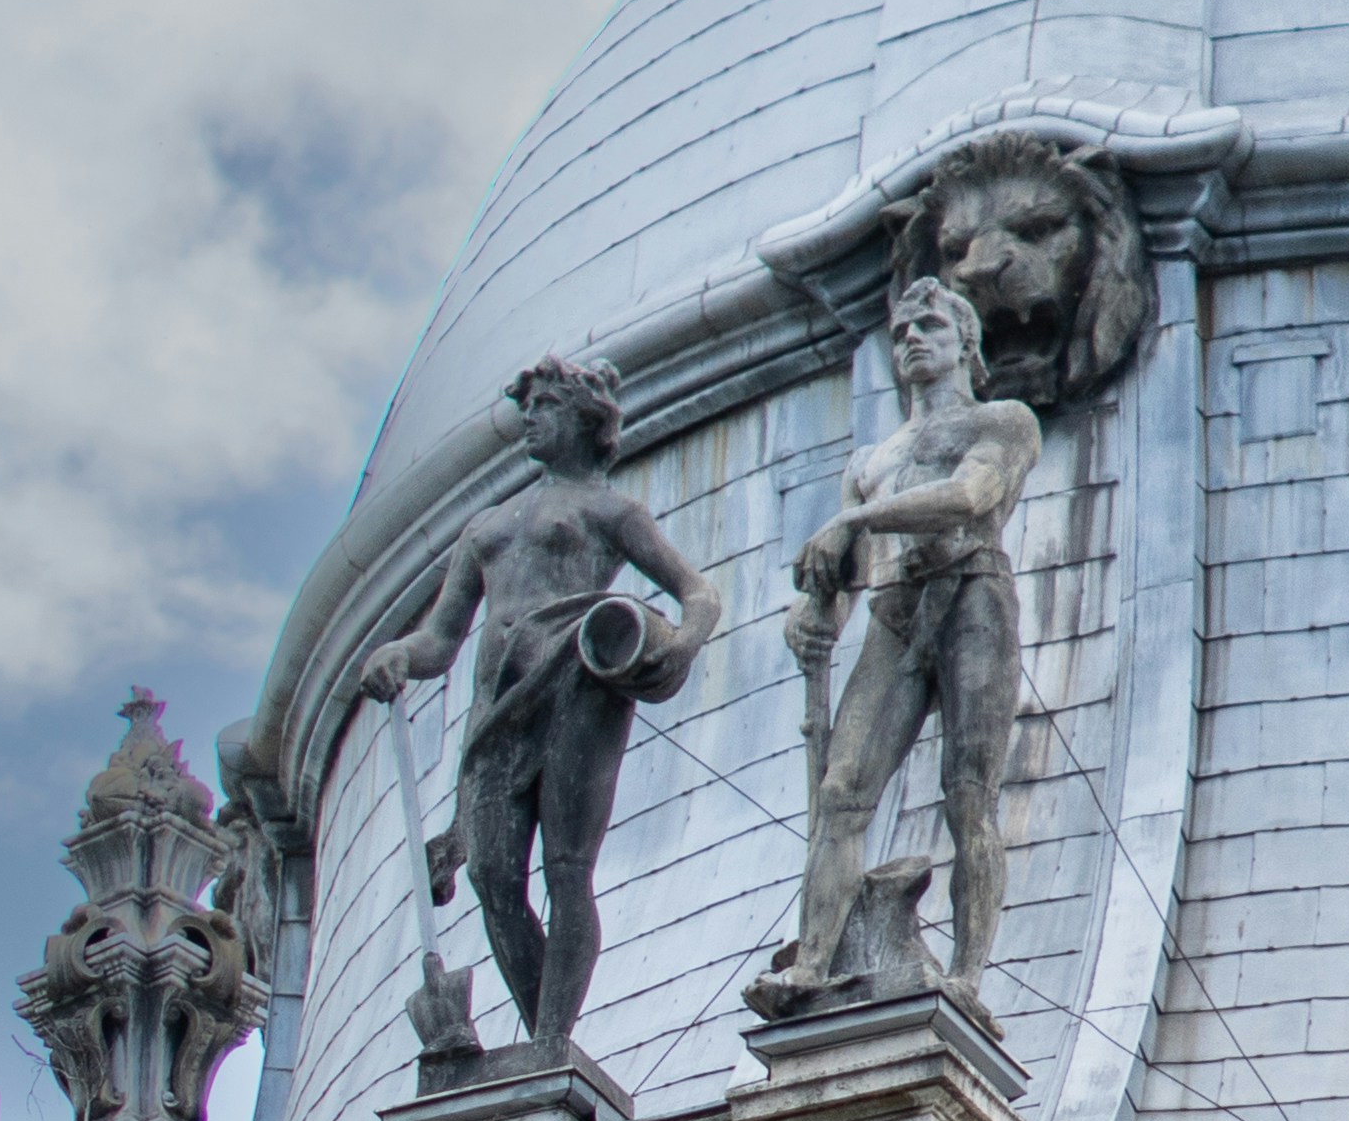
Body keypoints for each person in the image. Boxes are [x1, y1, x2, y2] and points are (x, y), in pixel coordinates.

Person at [359, 356, 719, 1061]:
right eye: (529, 405)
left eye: (547, 404)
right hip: (497, 708)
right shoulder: (486, 526)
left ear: (587, 420)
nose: (531, 417)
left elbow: (696, 591)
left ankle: (551, 1041)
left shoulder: (611, 511)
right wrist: (399, 653)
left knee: (565, 870)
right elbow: (440, 638)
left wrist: (677, 646)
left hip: (575, 685)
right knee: (490, 875)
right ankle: (542, 1038)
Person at [761, 270, 1039, 1008]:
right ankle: (811, 965)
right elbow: (841, 581)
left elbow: (970, 496)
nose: (913, 339)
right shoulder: (871, 461)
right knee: (839, 792)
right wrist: (812, 619)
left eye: (931, 328)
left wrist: (855, 522)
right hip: (894, 611)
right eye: (900, 333)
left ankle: (968, 974)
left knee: (967, 796)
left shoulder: (1000, 421)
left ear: (964, 345)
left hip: (972, 597)